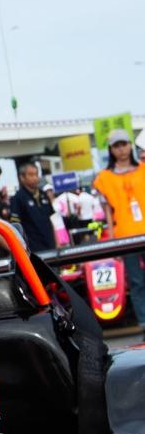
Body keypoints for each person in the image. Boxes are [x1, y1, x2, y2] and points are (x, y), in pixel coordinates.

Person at [93, 128, 145, 329]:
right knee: (137, 282)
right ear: (111, 150)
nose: (121, 149)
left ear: (130, 145)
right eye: (116, 145)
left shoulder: (143, 169)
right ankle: (143, 323)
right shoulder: (104, 178)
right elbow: (107, 214)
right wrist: (113, 242)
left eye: (124, 144)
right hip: (124, 236)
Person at [10, 162, 57, 252]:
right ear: (22, 177)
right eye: (31, 175)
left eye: (36, 174)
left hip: (51, 245)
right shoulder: (18, 198)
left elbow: (51, 220)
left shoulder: (44, 195)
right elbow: (16, 227)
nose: (35, 178)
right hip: (33, 249)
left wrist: (57, 242)